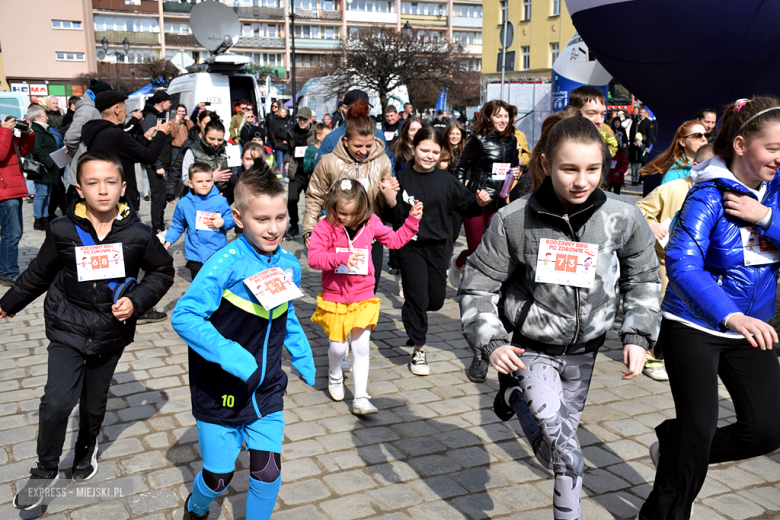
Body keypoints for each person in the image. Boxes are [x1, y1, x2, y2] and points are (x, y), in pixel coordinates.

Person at [458, 116, 660, 520]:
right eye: (569, 169)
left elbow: (643, 277)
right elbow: (477, 286)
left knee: (552, 455)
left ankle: (514, 397)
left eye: (593, 169)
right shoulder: (513, 220)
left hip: (585, 354)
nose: (582, 181)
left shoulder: (624, 216)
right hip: (532, 351)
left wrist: (638, 335)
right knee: (569, 456)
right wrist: (491, 342)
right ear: (546, 164)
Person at [1, 150, 174, 511]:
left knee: (93, 403)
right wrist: (9, 303)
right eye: (93, 183)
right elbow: (38, 273)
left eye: (111, 182)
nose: (103, 189)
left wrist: (137, 301)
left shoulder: (139, 234)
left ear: (123, 187)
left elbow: (162, 271)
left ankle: (86, 446)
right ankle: (45, 469)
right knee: (56, 402)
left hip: (111, 332)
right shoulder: (63, 229)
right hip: (67, 325)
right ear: (79, 189)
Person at [638, 96, 780, 520]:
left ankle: (675, 444)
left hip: (750, 327)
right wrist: (729, 314)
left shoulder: (774, 193)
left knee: (767, 429)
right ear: (740, 145)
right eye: (773, 148)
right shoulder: (707, 194)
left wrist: (766, 217)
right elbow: (682, 265)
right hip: (694, 324)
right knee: (697, 432)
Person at [171, 165, 315, 520]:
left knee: (268, 473)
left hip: (266, 387)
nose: (273, 228)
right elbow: (184, 316)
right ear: (237, 217)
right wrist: (230, 354)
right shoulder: (224, 264)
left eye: (280, 217)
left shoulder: (289, 264)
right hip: (220, 390)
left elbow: (283, 312)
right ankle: (196, 506)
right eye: (261, 219)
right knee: (218, 478)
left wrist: (300, 349)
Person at [382, 126, 490, 376]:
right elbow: (394, 218)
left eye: (435, 151)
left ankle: (412, 309)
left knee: (435, 300)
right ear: (413, 149)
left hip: (439, 247)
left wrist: (479, 203)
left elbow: (467, 207)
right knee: (418, 299)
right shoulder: (402, 179)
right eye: (424, 150)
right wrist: (390, 198)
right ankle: (419, 349)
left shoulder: (447, 180)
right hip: (410, 247)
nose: (429, 156)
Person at [308, 178, 422, 413]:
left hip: (363, 295)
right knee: (338, 348)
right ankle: (335, 373)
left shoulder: (371, 222)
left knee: (361, 348)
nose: (348, 218)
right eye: (342, 213)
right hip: (335, 297)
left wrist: (412, 221)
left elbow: (394, 240)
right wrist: (339, 258)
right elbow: (314, 259)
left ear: (364, 208)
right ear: (333, 208)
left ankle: (361, 396)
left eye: (354, 213)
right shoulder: (325, 226)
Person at [449, 100, 521, 379]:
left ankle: (489, 330)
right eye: (497, 116)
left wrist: (516, 173)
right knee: (477, 252)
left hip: (499, 203)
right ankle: (459, 262)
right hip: (477, 203)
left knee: (495, 255)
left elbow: (511, 169)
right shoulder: (477, 140)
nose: (502, 120)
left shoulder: (512, 141)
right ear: (488, 118)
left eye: (506, 116)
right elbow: (460, 170)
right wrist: (469, 195)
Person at [634, 143, 714, 382]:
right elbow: (638, 209)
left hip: (701, 267)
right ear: (696, 166)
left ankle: (677, 354)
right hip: (665, 262)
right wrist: (651, 224)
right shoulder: (672, 189)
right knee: (662, 309)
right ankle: (651, 355)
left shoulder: (723, 193)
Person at [303, 99, 395, 293]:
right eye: (358, 145)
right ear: (346, 141)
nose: (363, 151)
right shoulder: (329, 162)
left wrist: (389, 194)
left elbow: (387, 200)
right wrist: (309, 230)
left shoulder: (382, 161)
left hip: (370, 235)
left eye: (368, 145)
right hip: (337, 233)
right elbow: (314, 195)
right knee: (339, 289)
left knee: (368, 290)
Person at [81, 91, 170, 212]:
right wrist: (162, 134)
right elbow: (149, 156)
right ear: (116, 109)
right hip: (121, 201)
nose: (127, 113)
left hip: (109, 197)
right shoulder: (116, 134)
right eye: (125, 109)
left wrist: (144, 138)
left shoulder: (100, 132)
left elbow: (130, 153)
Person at [164, 162, 236, 280]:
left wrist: (223, 222)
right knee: (198, 283)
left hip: (216, 251)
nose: (204, 184)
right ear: (190, 183)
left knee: (216, 283)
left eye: (208, 181)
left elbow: (232, 218)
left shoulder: (220, 201)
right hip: (195, 253)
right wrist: (168, 241)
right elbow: (178, 225)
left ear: (212, 182)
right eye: (199, 181)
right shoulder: (184, 203)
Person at [64, 80, 114, 202]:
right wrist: (76, 153)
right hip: (85, 164)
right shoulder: (87, 110)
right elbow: (71, 137)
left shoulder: (92, 109)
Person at [0, 116, 35, 286]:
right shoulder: (4, 133)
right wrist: (6, 130)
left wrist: (27, 133)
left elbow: (23, 149)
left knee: (13, 232)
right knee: (11, 233)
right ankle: (9, 273)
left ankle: (5, 270)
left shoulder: (4, 134)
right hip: (4, 190)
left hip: (12, 189)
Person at [315, 90, 389, 164]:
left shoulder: (378, 135)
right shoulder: (331, 139)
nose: (361, 113)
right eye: (357, 109)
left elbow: (388, 163)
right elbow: (321, 168)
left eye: (365, 109)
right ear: (344, 108)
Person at [140, 90, 173, 235]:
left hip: (164, 162)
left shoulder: (159, 116)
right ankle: (157, 227)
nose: (170, 104)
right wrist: (158, 165)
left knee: (163, 196)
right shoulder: (151, 118)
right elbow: (151, 144)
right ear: (162, 102)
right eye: (169, 102)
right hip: (155, 164)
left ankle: (160, 223)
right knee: (158, 196)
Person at [180, 118, 233, 203]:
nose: (216, 143)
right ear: (204, 135)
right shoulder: (192, 151)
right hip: (196, 201)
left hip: (221, 200)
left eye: (220, 140)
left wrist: (226, 194)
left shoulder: (230, 149)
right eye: (211, 139)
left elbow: (235, 177)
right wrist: (211, 177)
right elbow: (186, 179)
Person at [641, 120, 708, 185]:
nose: (704, 139)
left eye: (706, 135)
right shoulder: (672, 175)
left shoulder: (711, 167)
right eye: (697, 135)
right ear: (682, 142)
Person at [169, 109, 215, 200]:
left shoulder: (220, 144)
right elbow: (177, 166)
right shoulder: (189, 143)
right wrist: (170, 191)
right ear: (199, 123)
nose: (208, 127)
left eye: (211, 124)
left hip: (213, 193)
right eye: (205, 124)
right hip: (191, 193)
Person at [29, 105, 61, 231]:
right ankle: (38, 219)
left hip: (48, 167)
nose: (47, 118)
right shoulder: (37, 130)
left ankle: (45, 217)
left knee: (46, 193)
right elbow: (37, 150)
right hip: (43, 168)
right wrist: (50, 162)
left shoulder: (43, 129)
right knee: (41, 193)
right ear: (37, 118)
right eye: (44, 116)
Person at [285, 107, 315, 238]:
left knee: (312, 201)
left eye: (304, 119)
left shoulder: (316, 132)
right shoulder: (291, 131)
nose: (302, 121)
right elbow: (289, 149)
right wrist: (287, 161)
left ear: (310, 119)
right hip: (296, 170)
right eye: (300, 119)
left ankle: (311, 228)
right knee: (292, 199)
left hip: (310, 172)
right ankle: (294, 224)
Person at [568, 86, 619, 158]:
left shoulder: (603, 151)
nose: (599, 121)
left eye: (602, 114)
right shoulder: (557, 142)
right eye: (591, 114)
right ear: (572, 112)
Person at [272, 107, 291, 178]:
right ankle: (279, 175)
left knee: (286, 161)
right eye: (282, 112)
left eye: (284, 112)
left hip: (286, 144)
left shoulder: (288, 121)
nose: (283, 113)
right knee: (279, 161)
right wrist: (284, 137)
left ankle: (285, 176)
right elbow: (277, 132)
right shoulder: (276, 121)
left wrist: (287, 139)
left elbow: (290, 131)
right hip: (279, 143)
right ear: (279, 113)